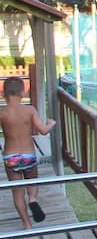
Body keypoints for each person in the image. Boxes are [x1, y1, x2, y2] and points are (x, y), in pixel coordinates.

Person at [1, 77, 56, 229]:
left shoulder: (2, 113)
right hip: (28, 155)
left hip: (11, 157)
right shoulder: (29, 110)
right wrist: (50, 124)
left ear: (3, 93)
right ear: (22, 93)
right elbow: (43, 131)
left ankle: (26, 224)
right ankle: (32, 199)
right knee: (32, 181)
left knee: (17, 191)